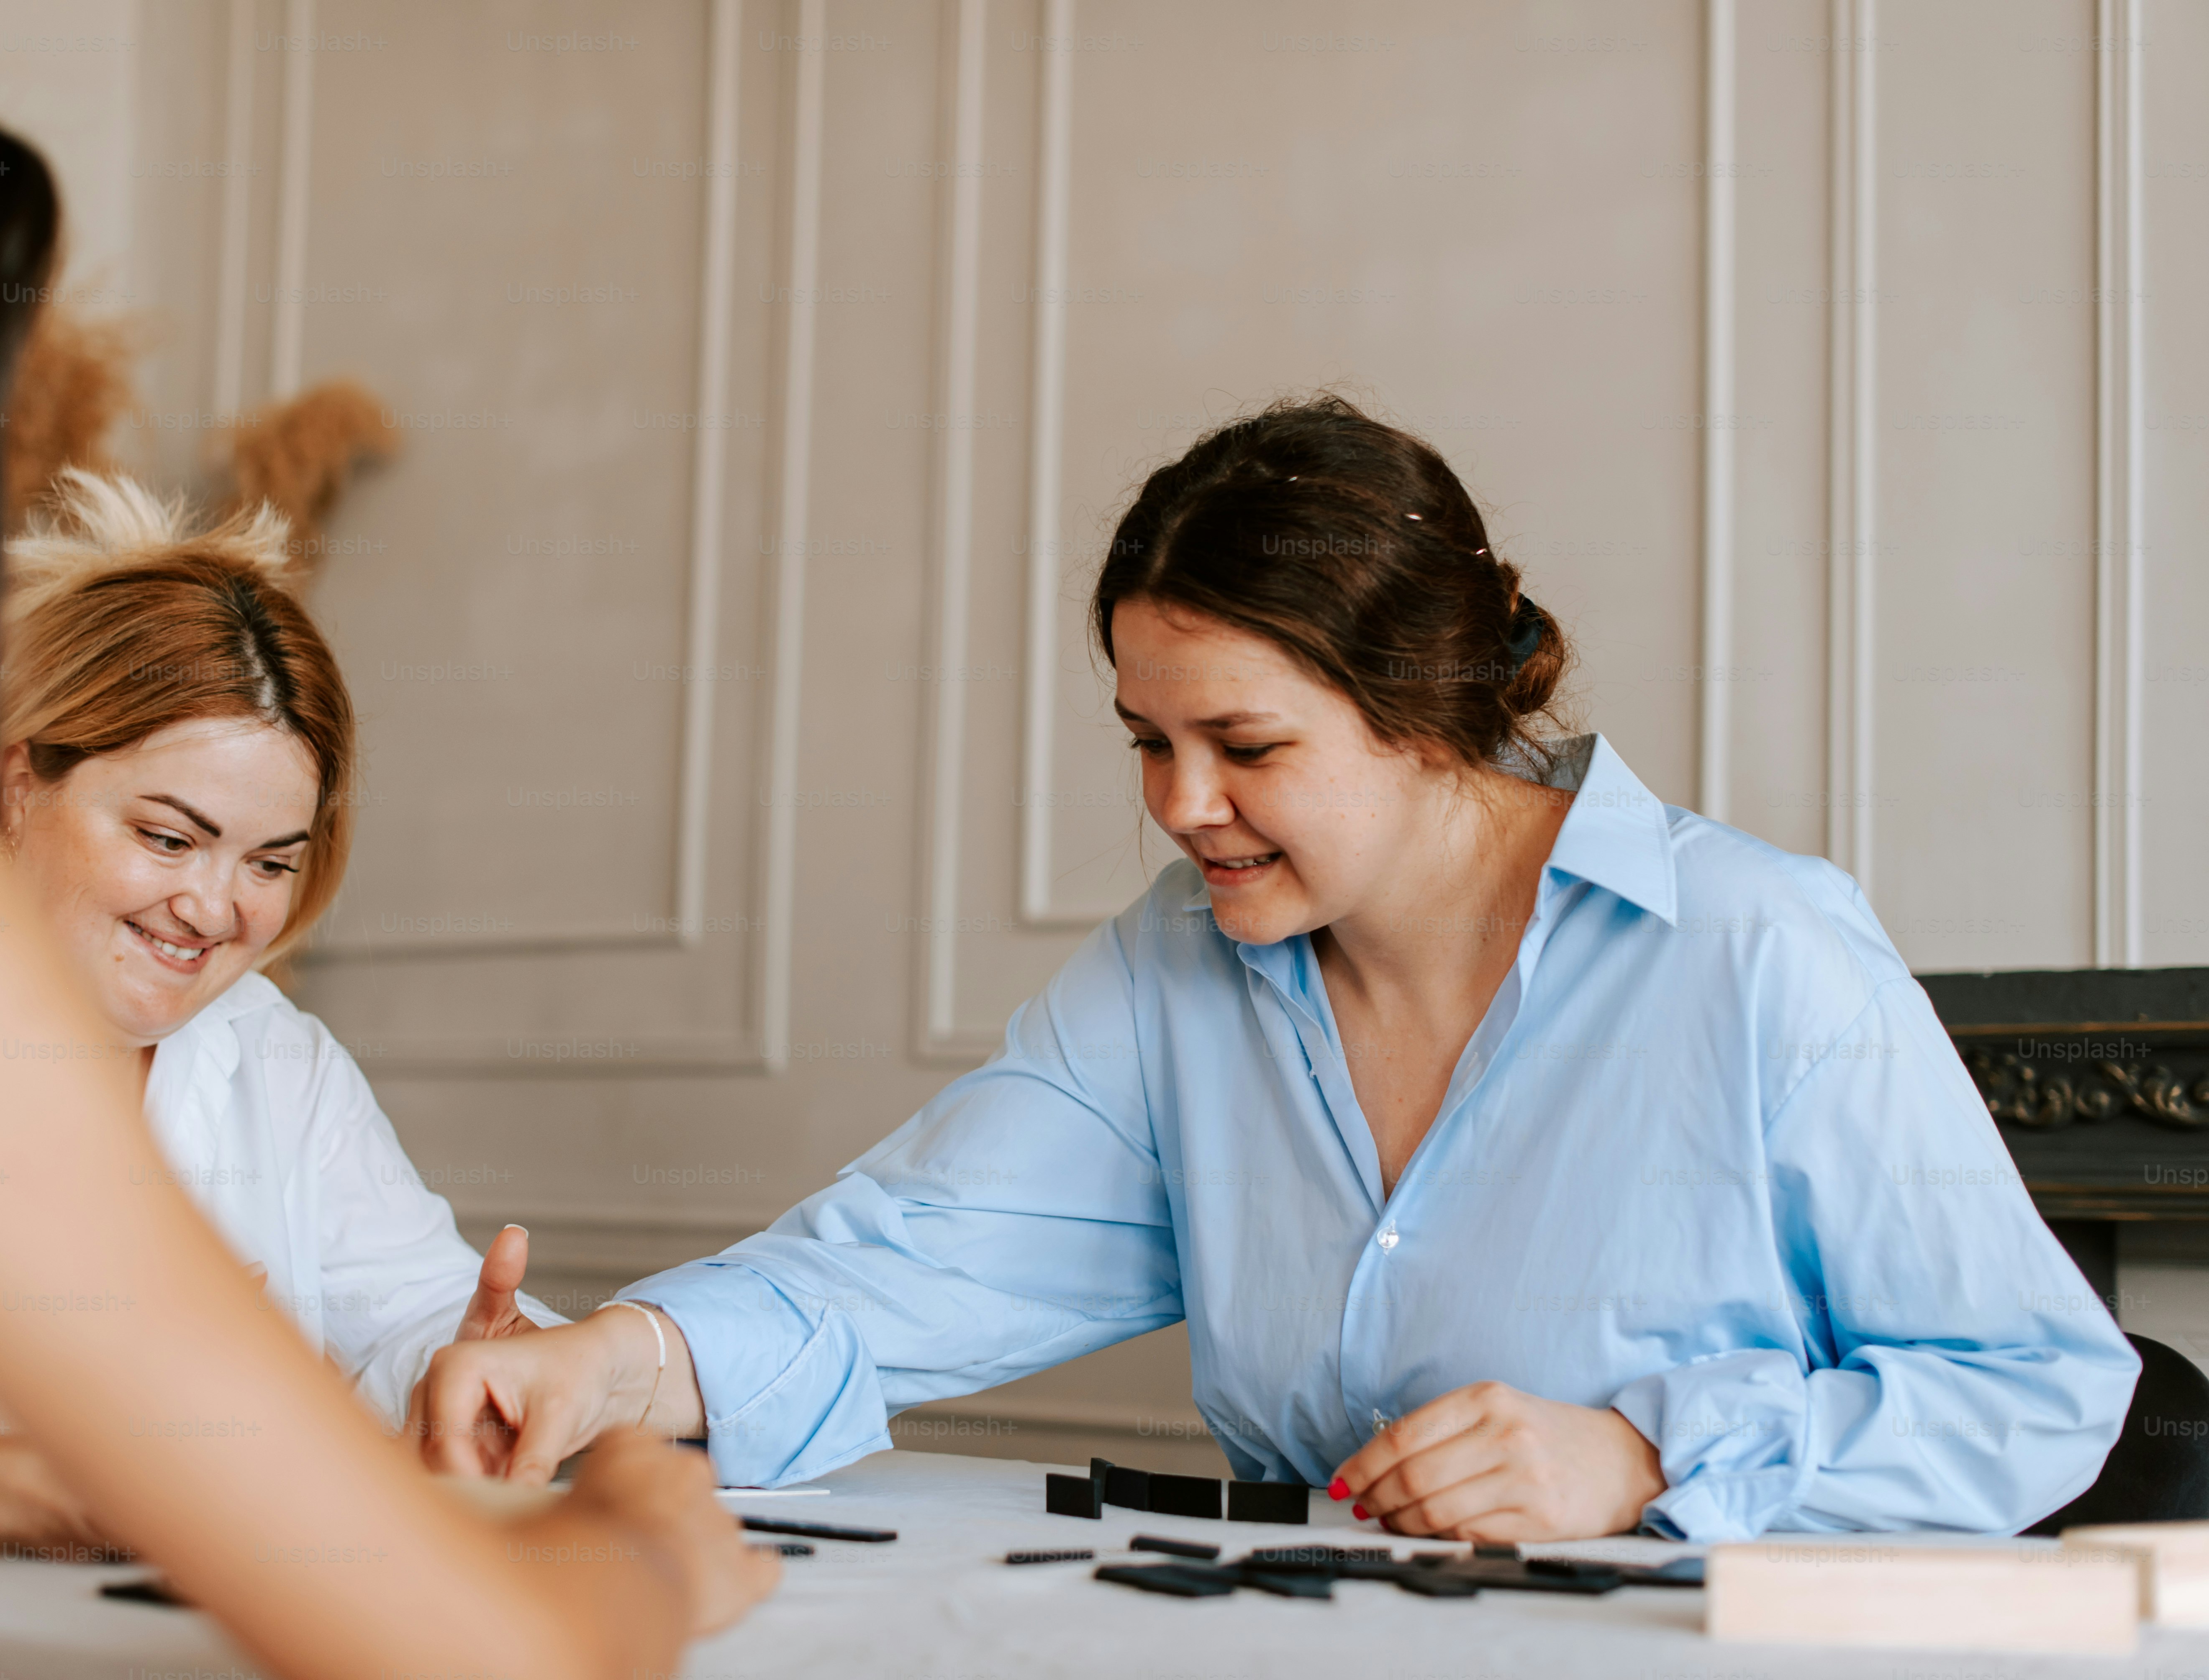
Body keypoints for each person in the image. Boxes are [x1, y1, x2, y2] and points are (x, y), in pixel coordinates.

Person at [411, 395, 2140, 1543]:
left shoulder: (1756, 949)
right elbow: (896, 1266)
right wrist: (611, 1365)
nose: (1179, 805)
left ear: (1423, 708)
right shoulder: (1175, 979)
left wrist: (1648, 1455)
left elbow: (2035, 1393)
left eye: (1239, 741)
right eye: (1145, 740)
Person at [0, 3, 775, 1671]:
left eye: (272, 856)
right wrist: (642, 1551)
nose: (220, 905)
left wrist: (31, 1474)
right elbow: (467, 1648)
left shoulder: (243, 1047)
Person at [0, 471, 572, 1559]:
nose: (214, 907)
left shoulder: (274, 1055)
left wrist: (501, 1365)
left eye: (268, 862)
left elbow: (403, 1318)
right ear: (22, 784)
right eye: (168, 838)